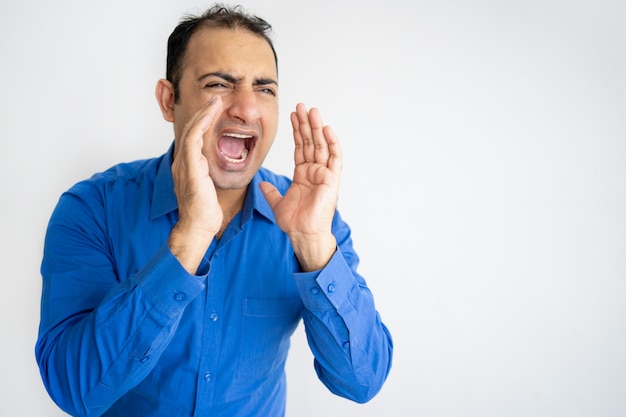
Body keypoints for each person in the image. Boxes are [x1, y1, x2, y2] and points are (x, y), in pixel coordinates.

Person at [35, 4, 393, 416]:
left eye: (264, 89)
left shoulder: (313, 218)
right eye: (219, 84)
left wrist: (313, 247)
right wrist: (187, 242)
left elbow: (362, 381)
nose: (247, 108)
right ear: (170, 101)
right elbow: (75, 390)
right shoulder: (92, 209)